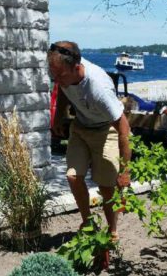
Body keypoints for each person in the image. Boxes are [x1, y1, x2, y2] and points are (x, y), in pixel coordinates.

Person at [48, 41, 131, 241]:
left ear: (76, 68)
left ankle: (112, 232)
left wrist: (125, 171)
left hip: (105, 130)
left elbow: (124, 128)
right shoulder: (63, 73)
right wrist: (59, 116)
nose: (56, 80)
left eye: (61, 75)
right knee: (73, 176)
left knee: (106, 186)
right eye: (54, 75)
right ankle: (87, 223)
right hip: (80, 128)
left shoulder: (98, 88)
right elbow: (63, 91)